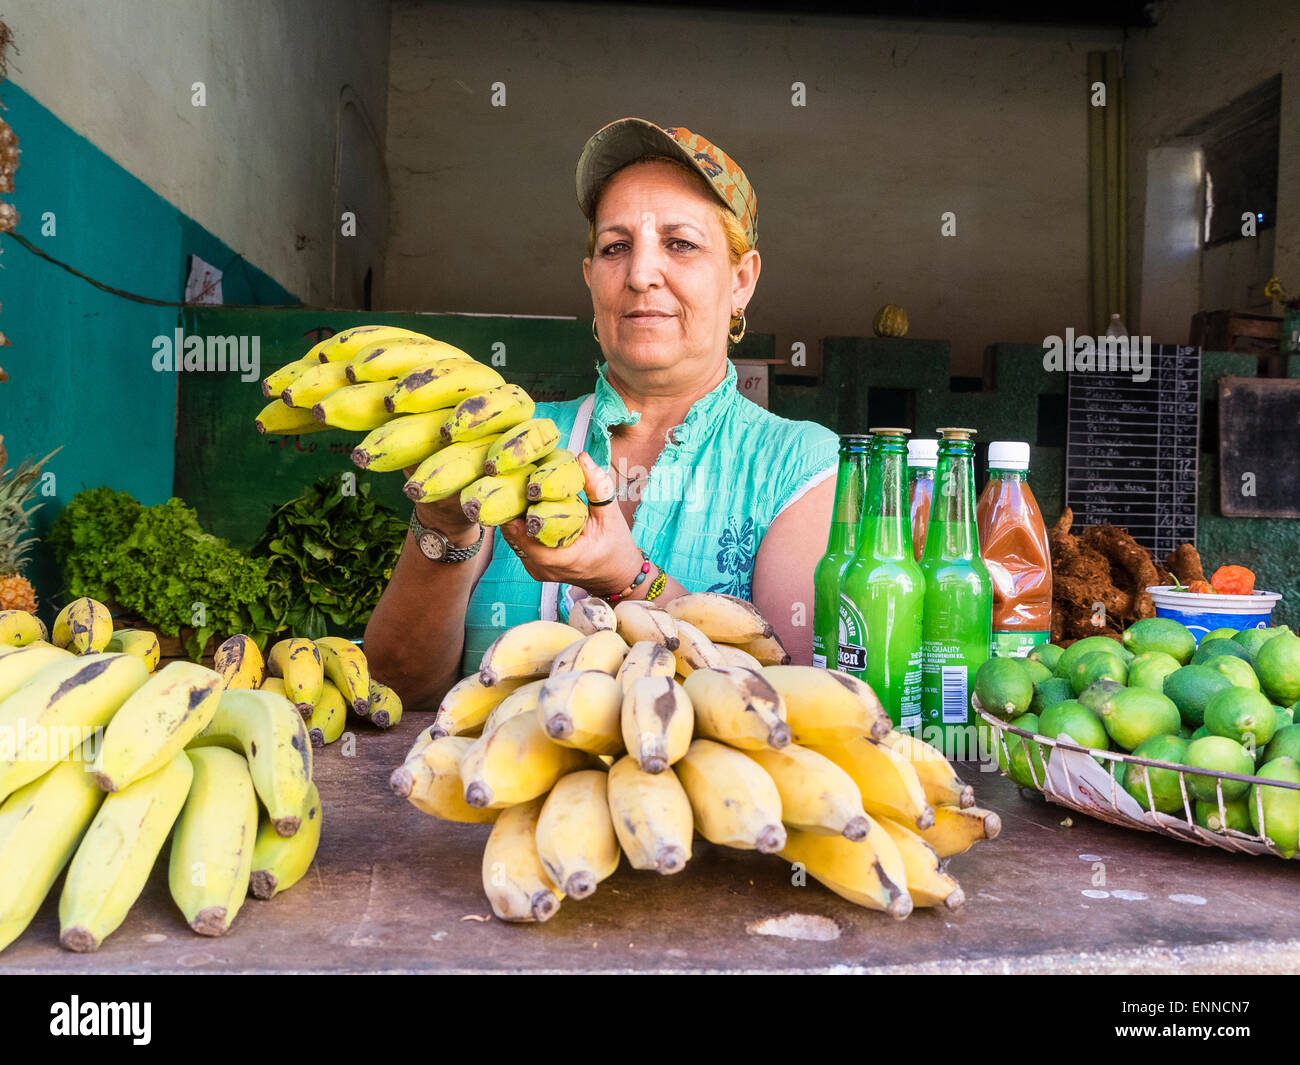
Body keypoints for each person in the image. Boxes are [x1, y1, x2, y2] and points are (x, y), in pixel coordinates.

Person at [365, 118, 838, 711]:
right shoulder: (506, 438)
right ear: (591, 280)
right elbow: (396, 691)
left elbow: (793, 706)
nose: (640, 275)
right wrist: (443, 528)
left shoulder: (796, 463)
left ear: (741, 280)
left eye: (680, 243)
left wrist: (627, 577)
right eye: (616, 248)